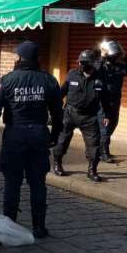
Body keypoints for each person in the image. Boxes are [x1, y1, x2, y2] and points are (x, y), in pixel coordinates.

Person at [0, 41, 62, 238]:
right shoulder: (49, 80)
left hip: (15, 136)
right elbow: (58, 113)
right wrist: (55, 134)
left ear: (19, 58)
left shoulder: (7, 80)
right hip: (38, 135)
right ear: (37, 59)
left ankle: (9, 226)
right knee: (38, 183)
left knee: (12, 183)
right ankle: (39, 227)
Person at [52, 50, 111, 182]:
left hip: (90, 117)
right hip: (70, 113)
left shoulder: (100, 78)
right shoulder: (72, 74)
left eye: (84, 62)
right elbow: (62, 92)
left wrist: (106, 115)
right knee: (62, 140)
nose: (81, 64)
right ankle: (57, 164)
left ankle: (92, 170)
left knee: (93, 145)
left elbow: (105, 99)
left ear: (92, 63)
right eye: (80, 62)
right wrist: (55, 109)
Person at [96, 39, 127, 163]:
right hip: (103, 102)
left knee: (113, 124)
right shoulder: (101, 67)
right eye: (114, 55)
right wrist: (102, 56)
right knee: (105, 127)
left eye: (116, 55)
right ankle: (103, 153)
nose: (115, 57)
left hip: (115, 101)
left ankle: (101, 149)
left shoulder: (118, 67)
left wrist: (125, 56)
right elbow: (95, 67)